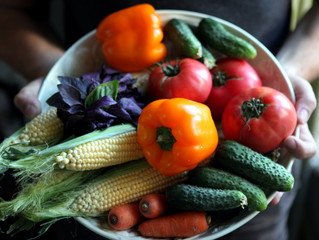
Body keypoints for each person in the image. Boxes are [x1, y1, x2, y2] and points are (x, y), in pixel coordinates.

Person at [0, 0, 318, 240]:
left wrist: (286, 74)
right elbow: (9, 10)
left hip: (252, 200)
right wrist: (56, 76)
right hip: (95, 67)